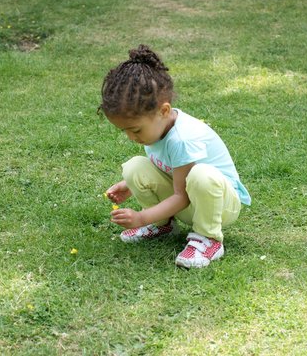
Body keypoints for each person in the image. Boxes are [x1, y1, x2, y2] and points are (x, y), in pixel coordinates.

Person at [100, 45, 251, 268]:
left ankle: (209, 238)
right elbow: (168, 169)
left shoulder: (182, 139)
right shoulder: (157, 128)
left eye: (136, 130)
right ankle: (163, 225)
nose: (132, 137)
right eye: (126, 131)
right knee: (134, 167)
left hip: (219, 204)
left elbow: (182, 196)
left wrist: (142, 217)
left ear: (163, 111)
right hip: (191, 195)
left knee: (202, 174)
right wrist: (130, 184)